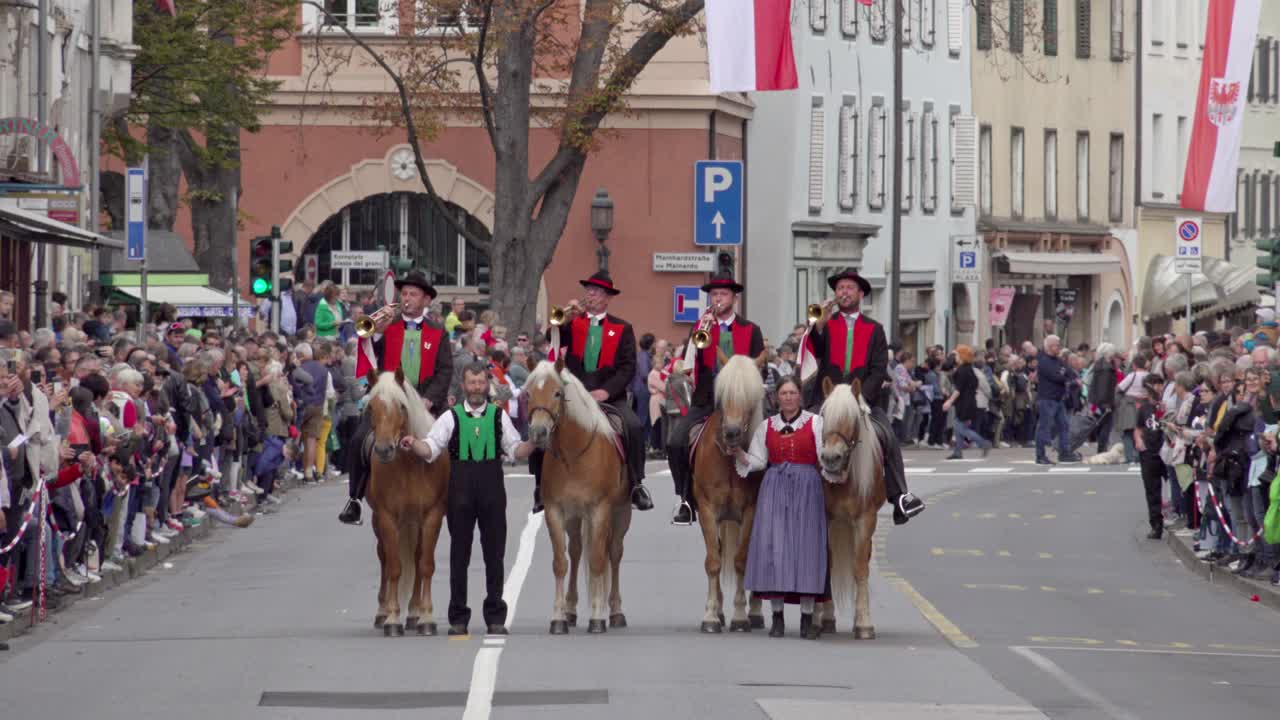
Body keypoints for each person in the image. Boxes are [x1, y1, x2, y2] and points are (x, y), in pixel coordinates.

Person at [403, 363, 534, 636]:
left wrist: (535, 441)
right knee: (459, 556)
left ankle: (495, 616)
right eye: (471, 383)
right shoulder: (450, 418)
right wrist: (412, 443)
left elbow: (516, 450)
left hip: (492, 493)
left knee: (494, 555)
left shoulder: (499, 416)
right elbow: (430, 448)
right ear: (463, 386)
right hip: (459, 493)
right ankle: (458, 617)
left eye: (480, 383)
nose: (476, 388)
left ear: (487, 385)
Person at [806, 268, 923, 524]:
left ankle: (900, 496)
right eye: (839, 288)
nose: (843, 292)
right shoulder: (826, 324)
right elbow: (811, 353)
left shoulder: (875, 329)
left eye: (849, 288)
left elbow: (878, 368)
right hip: (828, 399)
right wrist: (818, 326)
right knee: (803, 434)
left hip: (864, 400)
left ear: (860, 294)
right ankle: (796, 496)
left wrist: (861, 399)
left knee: (888, 438)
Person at [340, 271, 453, 525]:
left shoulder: (438, 331)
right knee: (359, 440)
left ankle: (453, 495)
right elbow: (370, 358)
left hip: (425, 400)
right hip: (388, 400)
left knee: (453, 439)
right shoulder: (386, 325)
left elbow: (445, 370)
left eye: (413, 294)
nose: (407, 299)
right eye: (404, 293)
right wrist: (375, 334)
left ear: (426, 300)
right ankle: (355, 499)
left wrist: (429, 400)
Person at [534, 271, 652, 513]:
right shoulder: (574, 322)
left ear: (607, 298)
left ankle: (636, 483)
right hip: (573, 395)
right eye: (589, 290)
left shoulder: (622, 328)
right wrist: (563, 317)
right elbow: (551, 336)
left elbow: (628, 366)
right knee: (542, 426)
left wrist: (606, 392)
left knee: (633, 427)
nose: (591, 294)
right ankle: (540, 486)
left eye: (597, 291)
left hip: (608, 396)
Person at [666, 270, 764, 525]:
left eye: (723, 294)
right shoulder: (700, 328)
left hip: (742, 404)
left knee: (770, 442)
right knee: (676, 442)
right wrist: (702, 333)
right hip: (707, 401)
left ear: (734, 298)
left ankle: (766, 497)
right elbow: (691, 365)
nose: (718, 298)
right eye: (714, 294)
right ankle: (686, 499)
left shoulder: (751, 330)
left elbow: (758, 369)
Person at [733, 377, 829, 640]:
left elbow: (824, 456)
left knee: (806, 550)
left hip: (808, 488)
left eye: (792, 392)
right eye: (783, 393)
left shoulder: (816, 423)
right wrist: (739, 454)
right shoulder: (766, 426)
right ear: (776, 398)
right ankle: (777, 618)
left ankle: (807, 619)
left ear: (800, 396)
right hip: (774, 487)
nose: (787, 397)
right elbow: (758, 461)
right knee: (775, 550)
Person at [1034, 335, 1079, 465]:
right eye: (1056, 345)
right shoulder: (1044, 361)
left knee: (1064, 425)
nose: (1058, 347)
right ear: (1049, 347)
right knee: (1044, 427)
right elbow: (1056, 377)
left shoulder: (1058, 360)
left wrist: (1069, 376)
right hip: (1047, 399)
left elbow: (1069, 372)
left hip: (1059, 399)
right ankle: (1040, 455)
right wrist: (1068, 379)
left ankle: (1064, 453)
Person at [1134, 374, 1168, 540]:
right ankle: (1156, 524)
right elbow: (1139, 428)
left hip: (1167, 451)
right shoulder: (1144, 408)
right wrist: (1139, 440)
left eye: (1159, 385)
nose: (1156, 389)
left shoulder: (1166, 405)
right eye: (1153, 385)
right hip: (1149, 453)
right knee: (1152, 490)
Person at [942, 345, 991, 460]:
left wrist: (949, 401)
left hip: (964, 403)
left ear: (962, 356)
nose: (955, 357)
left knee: (960, 428)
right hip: (970, 401)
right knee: (959, 425)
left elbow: (958, 389)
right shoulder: (970, 369)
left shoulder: (962, 370)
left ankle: (983, 443)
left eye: (957, 355)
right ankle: (958, 452)